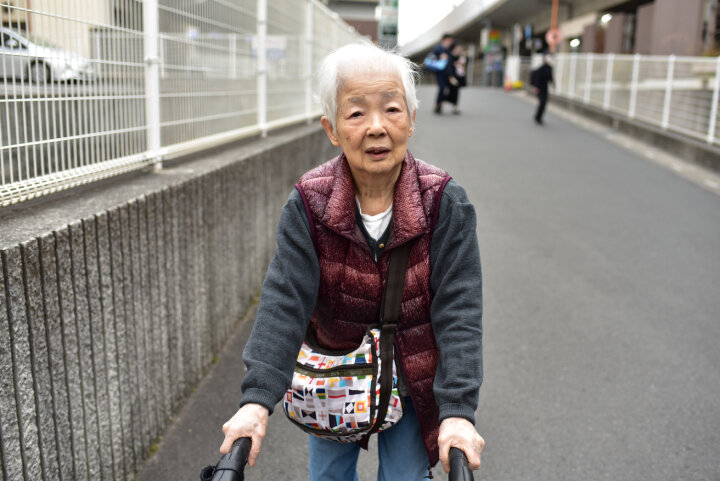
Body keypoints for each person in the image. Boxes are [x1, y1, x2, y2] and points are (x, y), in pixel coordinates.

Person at [219, 42, 485, 481]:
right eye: (357, 113)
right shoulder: (310, 202)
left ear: (411, 119)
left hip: (413, 372)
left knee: (404, 477)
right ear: (332, 128)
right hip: (334, 372)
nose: (377, 127)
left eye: (392, 109)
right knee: (327, 477)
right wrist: (256, 400)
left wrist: (457, 409)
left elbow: (459, 309)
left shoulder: (444, 201)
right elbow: (284, 300)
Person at [430, 33, 455, 114]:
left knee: (449, 89)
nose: (451, 42)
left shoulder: (449, 50)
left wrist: (451, 74)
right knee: (442, 88)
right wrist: (440, 57)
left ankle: (440, 104)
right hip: (440, 72)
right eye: (450, 40)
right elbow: (431, 58)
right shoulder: (437, 49)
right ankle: (438, 105)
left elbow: (450, 63)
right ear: (445, 40)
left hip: (448, 73)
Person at [531, 54, 554, 124]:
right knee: (542, 102)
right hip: (539, 88)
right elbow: (537, 78)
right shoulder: (541, 69)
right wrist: (536, 87)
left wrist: (553, 84)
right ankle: (537, 117)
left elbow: (550, 77)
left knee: (544, 103)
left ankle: (539, 117)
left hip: (545, 88)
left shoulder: (550, 68)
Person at [446, 43, 468, 115]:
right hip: (451, 76)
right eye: (458, 48)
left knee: (455, 91)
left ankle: (454, 106)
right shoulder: (450, 56)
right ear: (454, 48)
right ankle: (441, 102)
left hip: (458, 76)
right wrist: (450, 76)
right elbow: (449, 67)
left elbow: (462, 65)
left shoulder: (460, 57)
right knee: (451, 91)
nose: (460, 49)